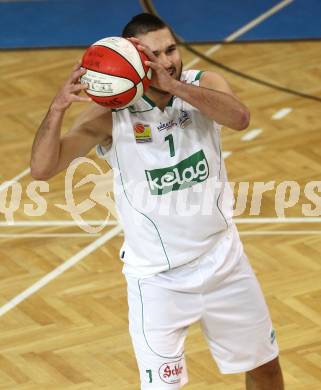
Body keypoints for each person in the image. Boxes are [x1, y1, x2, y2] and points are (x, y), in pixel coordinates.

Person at [31, 13, 284, 390]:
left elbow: (240, 117)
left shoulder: (203, 84)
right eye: (154, 56)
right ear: (134, 61)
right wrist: (56, 110)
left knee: (264, 367)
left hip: (224, 260)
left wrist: (176, 87)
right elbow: (41, 168)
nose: (167, 62)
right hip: (157, 280)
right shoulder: (109, 116)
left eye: (171, 50)